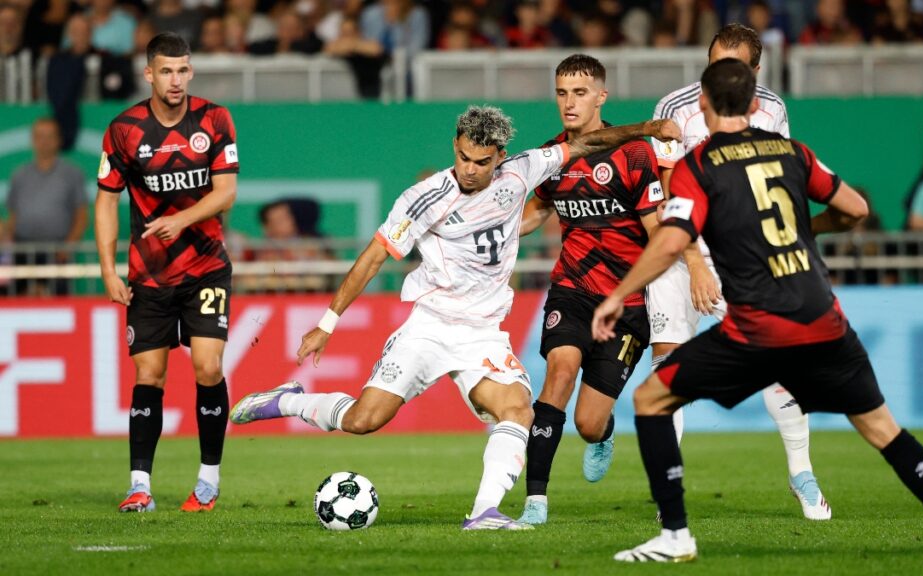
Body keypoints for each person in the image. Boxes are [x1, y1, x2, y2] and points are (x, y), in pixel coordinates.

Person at [593, 58, 923, 563]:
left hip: (757, 328)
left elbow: (672, 241)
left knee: (651, 399)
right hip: (824, 319)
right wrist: (815, 229)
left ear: (703, 104)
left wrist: (616, 294)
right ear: (757, 104)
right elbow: (856, 209)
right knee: (882, 430)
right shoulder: (793, 152)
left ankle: (675, 536)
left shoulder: (699, 166)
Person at [229, 105, 681, 530]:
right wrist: (328, 322)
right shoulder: (424, 198)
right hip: (429, 326)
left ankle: (485, 510)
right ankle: (287, 400)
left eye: (481, 162)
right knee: (364, 421)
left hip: (483, 334)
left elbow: (586, 143)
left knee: (517, 409)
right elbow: (372, 257)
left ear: (499, 157)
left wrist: (647, 128)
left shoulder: (521, 172)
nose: (469, 169)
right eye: (463, 156)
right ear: (455, 146)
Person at [648, 23, 831, 521]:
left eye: (731, 67)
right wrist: (691, 261)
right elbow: (667, 191)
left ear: (755, 70)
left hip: (744, 255)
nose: (718, 77)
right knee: (669, 365)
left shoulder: (773, 109)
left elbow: (778, 178)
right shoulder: (674, 107)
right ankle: (671, 490)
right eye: (713, 64)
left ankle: (801, 473)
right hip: (679, 253)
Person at [95, 32, 240, 513]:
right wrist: (108, 269)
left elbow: (225, 193)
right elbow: (105, 201)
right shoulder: (124, 129)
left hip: (206, 268)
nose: (175, 80)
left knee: (209, 366)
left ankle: (208, 481)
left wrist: (180, 220)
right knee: (150, 374)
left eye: (182, 70)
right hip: (149, 275)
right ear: (149, 74)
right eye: (166, 71)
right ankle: (140, 486)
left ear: (190, 71)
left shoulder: (214, 118)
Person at [515, 54, 662, 525]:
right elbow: (538, 210)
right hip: (571, 290)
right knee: (558, 374)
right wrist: (494, 230)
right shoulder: (553, 154)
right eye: (561, 93)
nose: (569, 103)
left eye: (579, 93)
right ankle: (535, 500)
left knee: (587, 422)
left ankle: (603, 433)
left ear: (601, 96)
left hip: (626, 301)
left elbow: (659, 232)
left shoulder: (633, 154)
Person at [5, 117, 87, 296]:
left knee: (59, 303)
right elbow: (13, 217)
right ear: (33, 140)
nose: (44, 141)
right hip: (22, 250)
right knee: (18, 302)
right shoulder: (19, 175)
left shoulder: (72, 173)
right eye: (40, 136)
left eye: (49, 136)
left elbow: (81, 216)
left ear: (58, 140)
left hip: (57, 251)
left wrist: (68, 247)